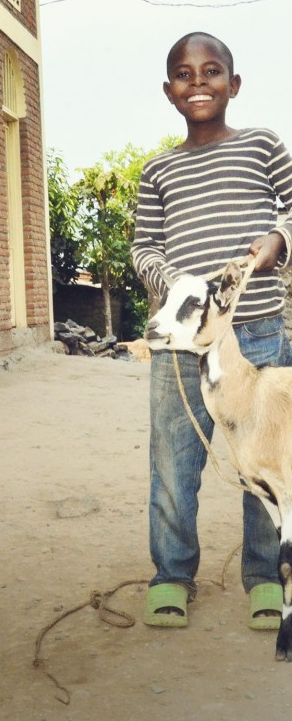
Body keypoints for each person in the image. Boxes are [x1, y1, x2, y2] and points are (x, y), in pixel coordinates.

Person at [131, 31, 292, 628]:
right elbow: (144, 247)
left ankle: (266, 576)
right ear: (168, 90)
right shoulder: (158, 169)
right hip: (182, 346)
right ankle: (172, 574)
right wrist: (177, 283)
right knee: (173, 461)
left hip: (258, 333)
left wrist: (278, 241)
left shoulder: (262, 146)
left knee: (267, 461)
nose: (198, 82)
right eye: (184, 74)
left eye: (211, 71)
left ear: (234, 83)